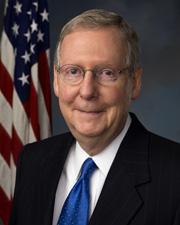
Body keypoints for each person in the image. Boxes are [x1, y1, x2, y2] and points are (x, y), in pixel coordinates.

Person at [9, 9, 180, 225]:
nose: (87, 91)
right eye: (73, 71)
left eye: (107, 72)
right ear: (56, 80)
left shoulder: (174, 176)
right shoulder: (33, 161)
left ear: (134, 82)